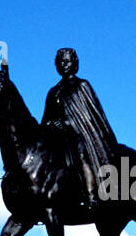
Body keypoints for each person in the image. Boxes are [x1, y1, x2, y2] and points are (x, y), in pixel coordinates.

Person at [41, 48, 117, 208]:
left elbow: (92, 117)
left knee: (80, 152)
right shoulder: (53, 92)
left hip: (79, 137)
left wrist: (68, 124)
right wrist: (51, 124)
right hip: (57, 139)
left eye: (67, 61)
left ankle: (91, 195)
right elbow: (45, 120)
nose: (64, 64)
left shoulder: (82, 85)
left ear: (75, 63)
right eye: (61, 61)